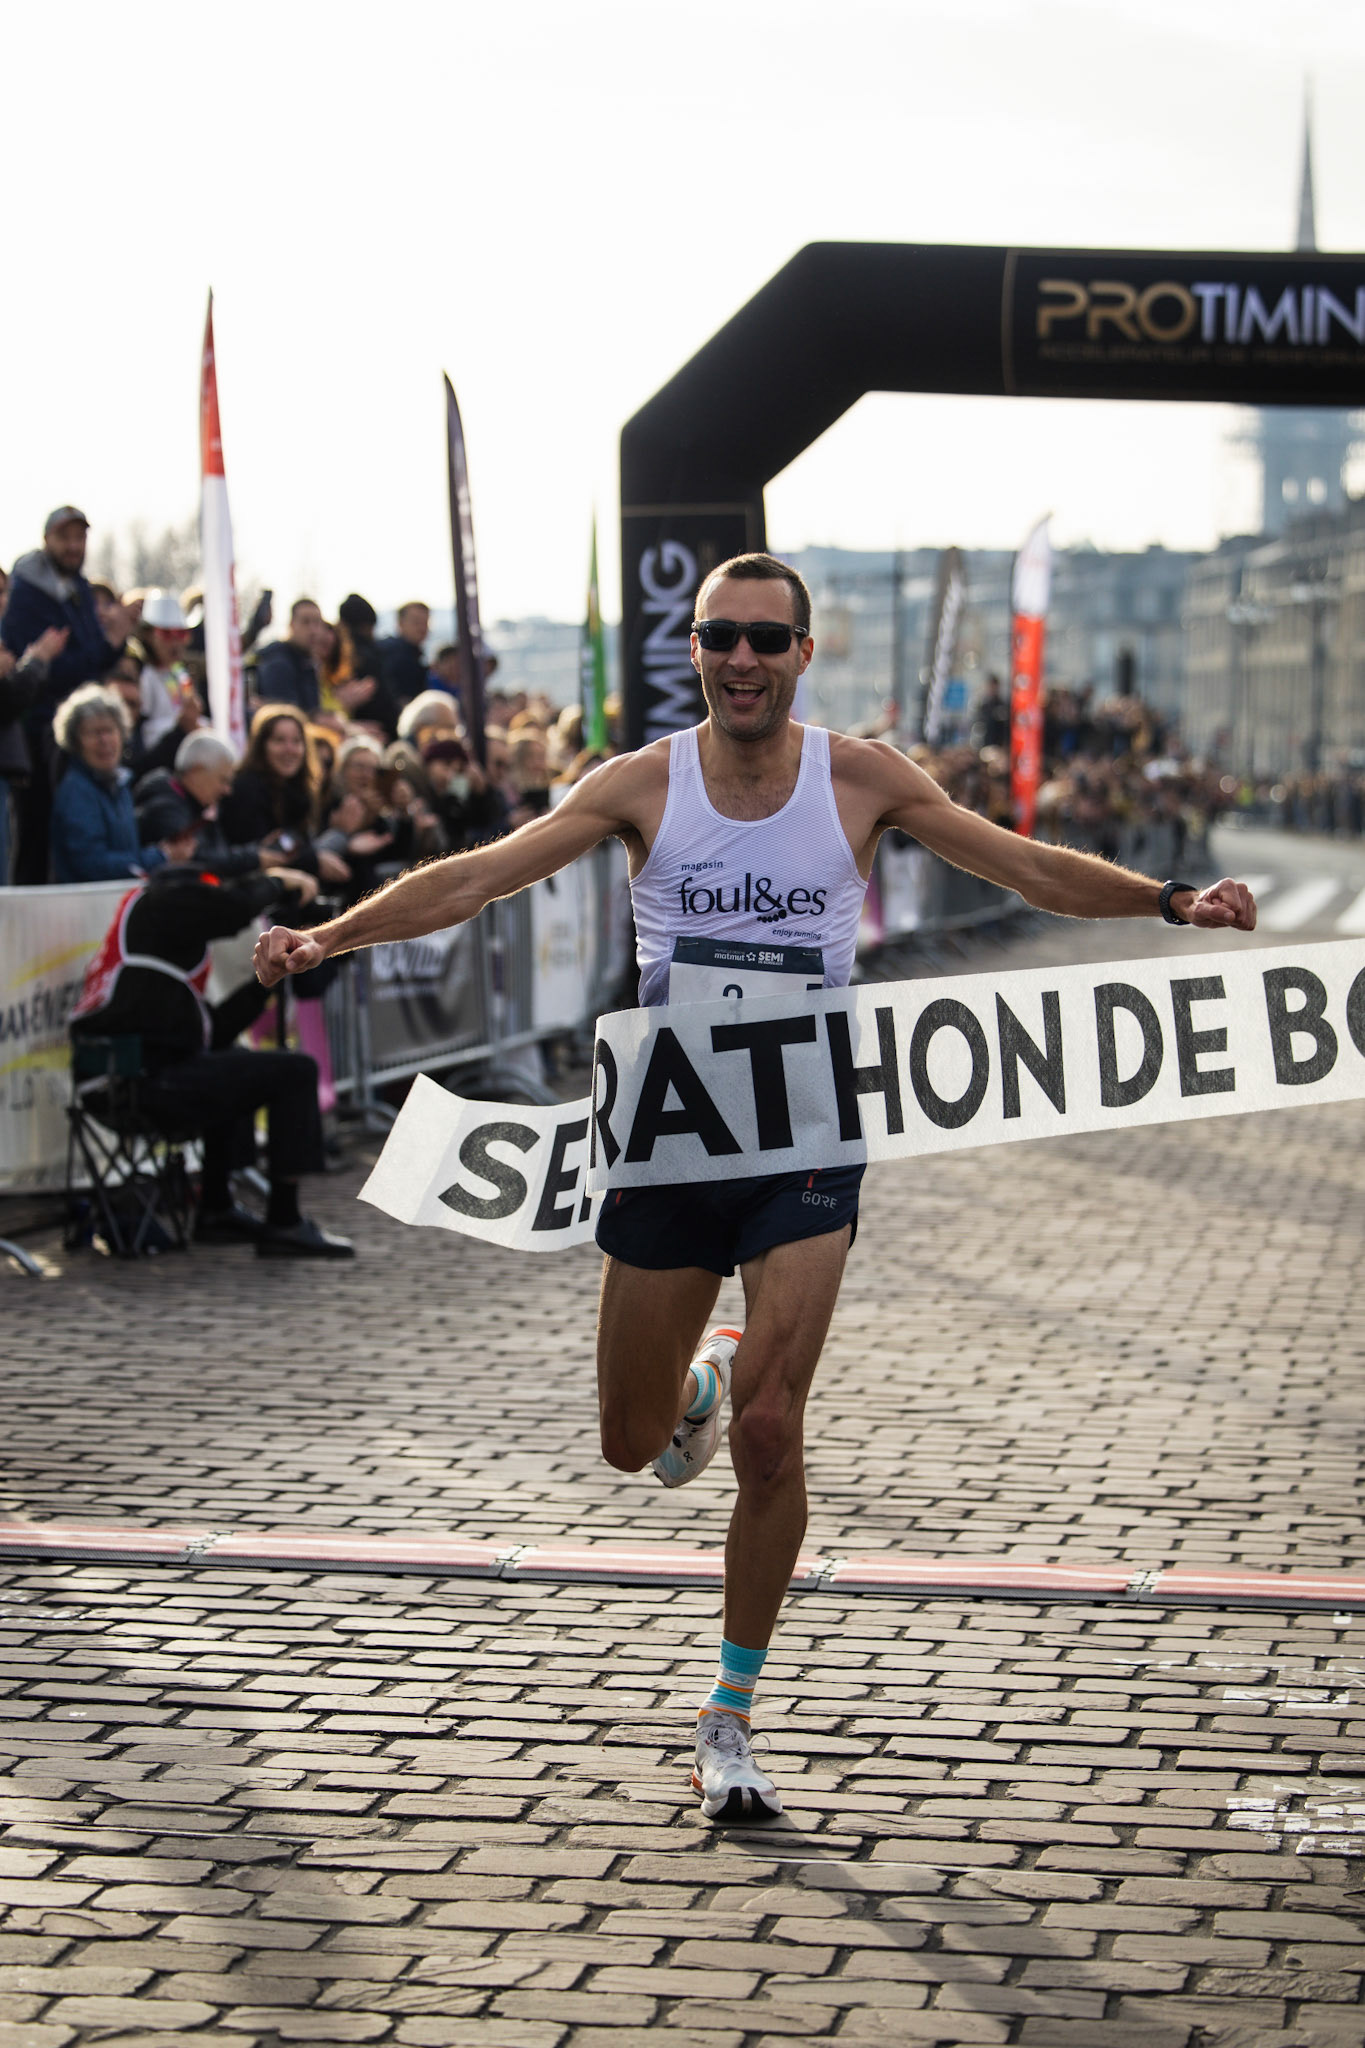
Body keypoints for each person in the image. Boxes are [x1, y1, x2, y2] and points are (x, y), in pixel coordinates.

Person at [254, 550, 1259, 1824]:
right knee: (631, 1442)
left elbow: (1023, 866)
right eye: (721, 636)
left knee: (776, 1432)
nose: (742, 659)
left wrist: (1170, 899)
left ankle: (729, 1712)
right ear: (696, 649)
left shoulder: (861, 777)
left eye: (766, 640)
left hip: (807, 1137)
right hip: (672, 1145)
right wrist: (330, 934)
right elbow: (481, 873)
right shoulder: (639, 785)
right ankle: (700, 1387)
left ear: (801, 654)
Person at [73, 860, 352, 1258]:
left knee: (234, 1062)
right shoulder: (160, 903)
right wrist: (279, 881)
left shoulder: (154, 968)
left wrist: (267, 984)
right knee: (296, 1071)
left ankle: (216, 1208)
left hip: (137, 1077)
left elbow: (208, 1034)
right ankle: (285, 1221)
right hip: (135, 1084)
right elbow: (227, 908)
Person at [2, 508, 137, 882]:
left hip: (76, 734)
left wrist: (116, 637)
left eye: (80, 538)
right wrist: (105, 644)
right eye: (65, 538)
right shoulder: (26, 595)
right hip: (41, 738)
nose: (73, 546)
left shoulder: (77, 587)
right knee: (37, 836)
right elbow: (47, 672)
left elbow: (88, 661)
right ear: (47, 540)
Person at [49, 685, 190, 883]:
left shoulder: (119, 784)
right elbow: (92, 864)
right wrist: (159, 857)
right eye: (93, 733)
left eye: (109, 730)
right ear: (75, 742)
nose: (104, 741)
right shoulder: (77, 792)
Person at [253, 598, 326, 715]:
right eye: (305, 622)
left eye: (317, 622)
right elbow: (288, 718)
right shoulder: (278, 663)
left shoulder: (307, 661)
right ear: (292, 625)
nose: (313, 630)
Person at [377, 601, 431, 707]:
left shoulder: (414, 653)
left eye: (425, 622)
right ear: (400, 623)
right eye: (416, 622)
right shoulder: (391, 653)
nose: (422, 628)